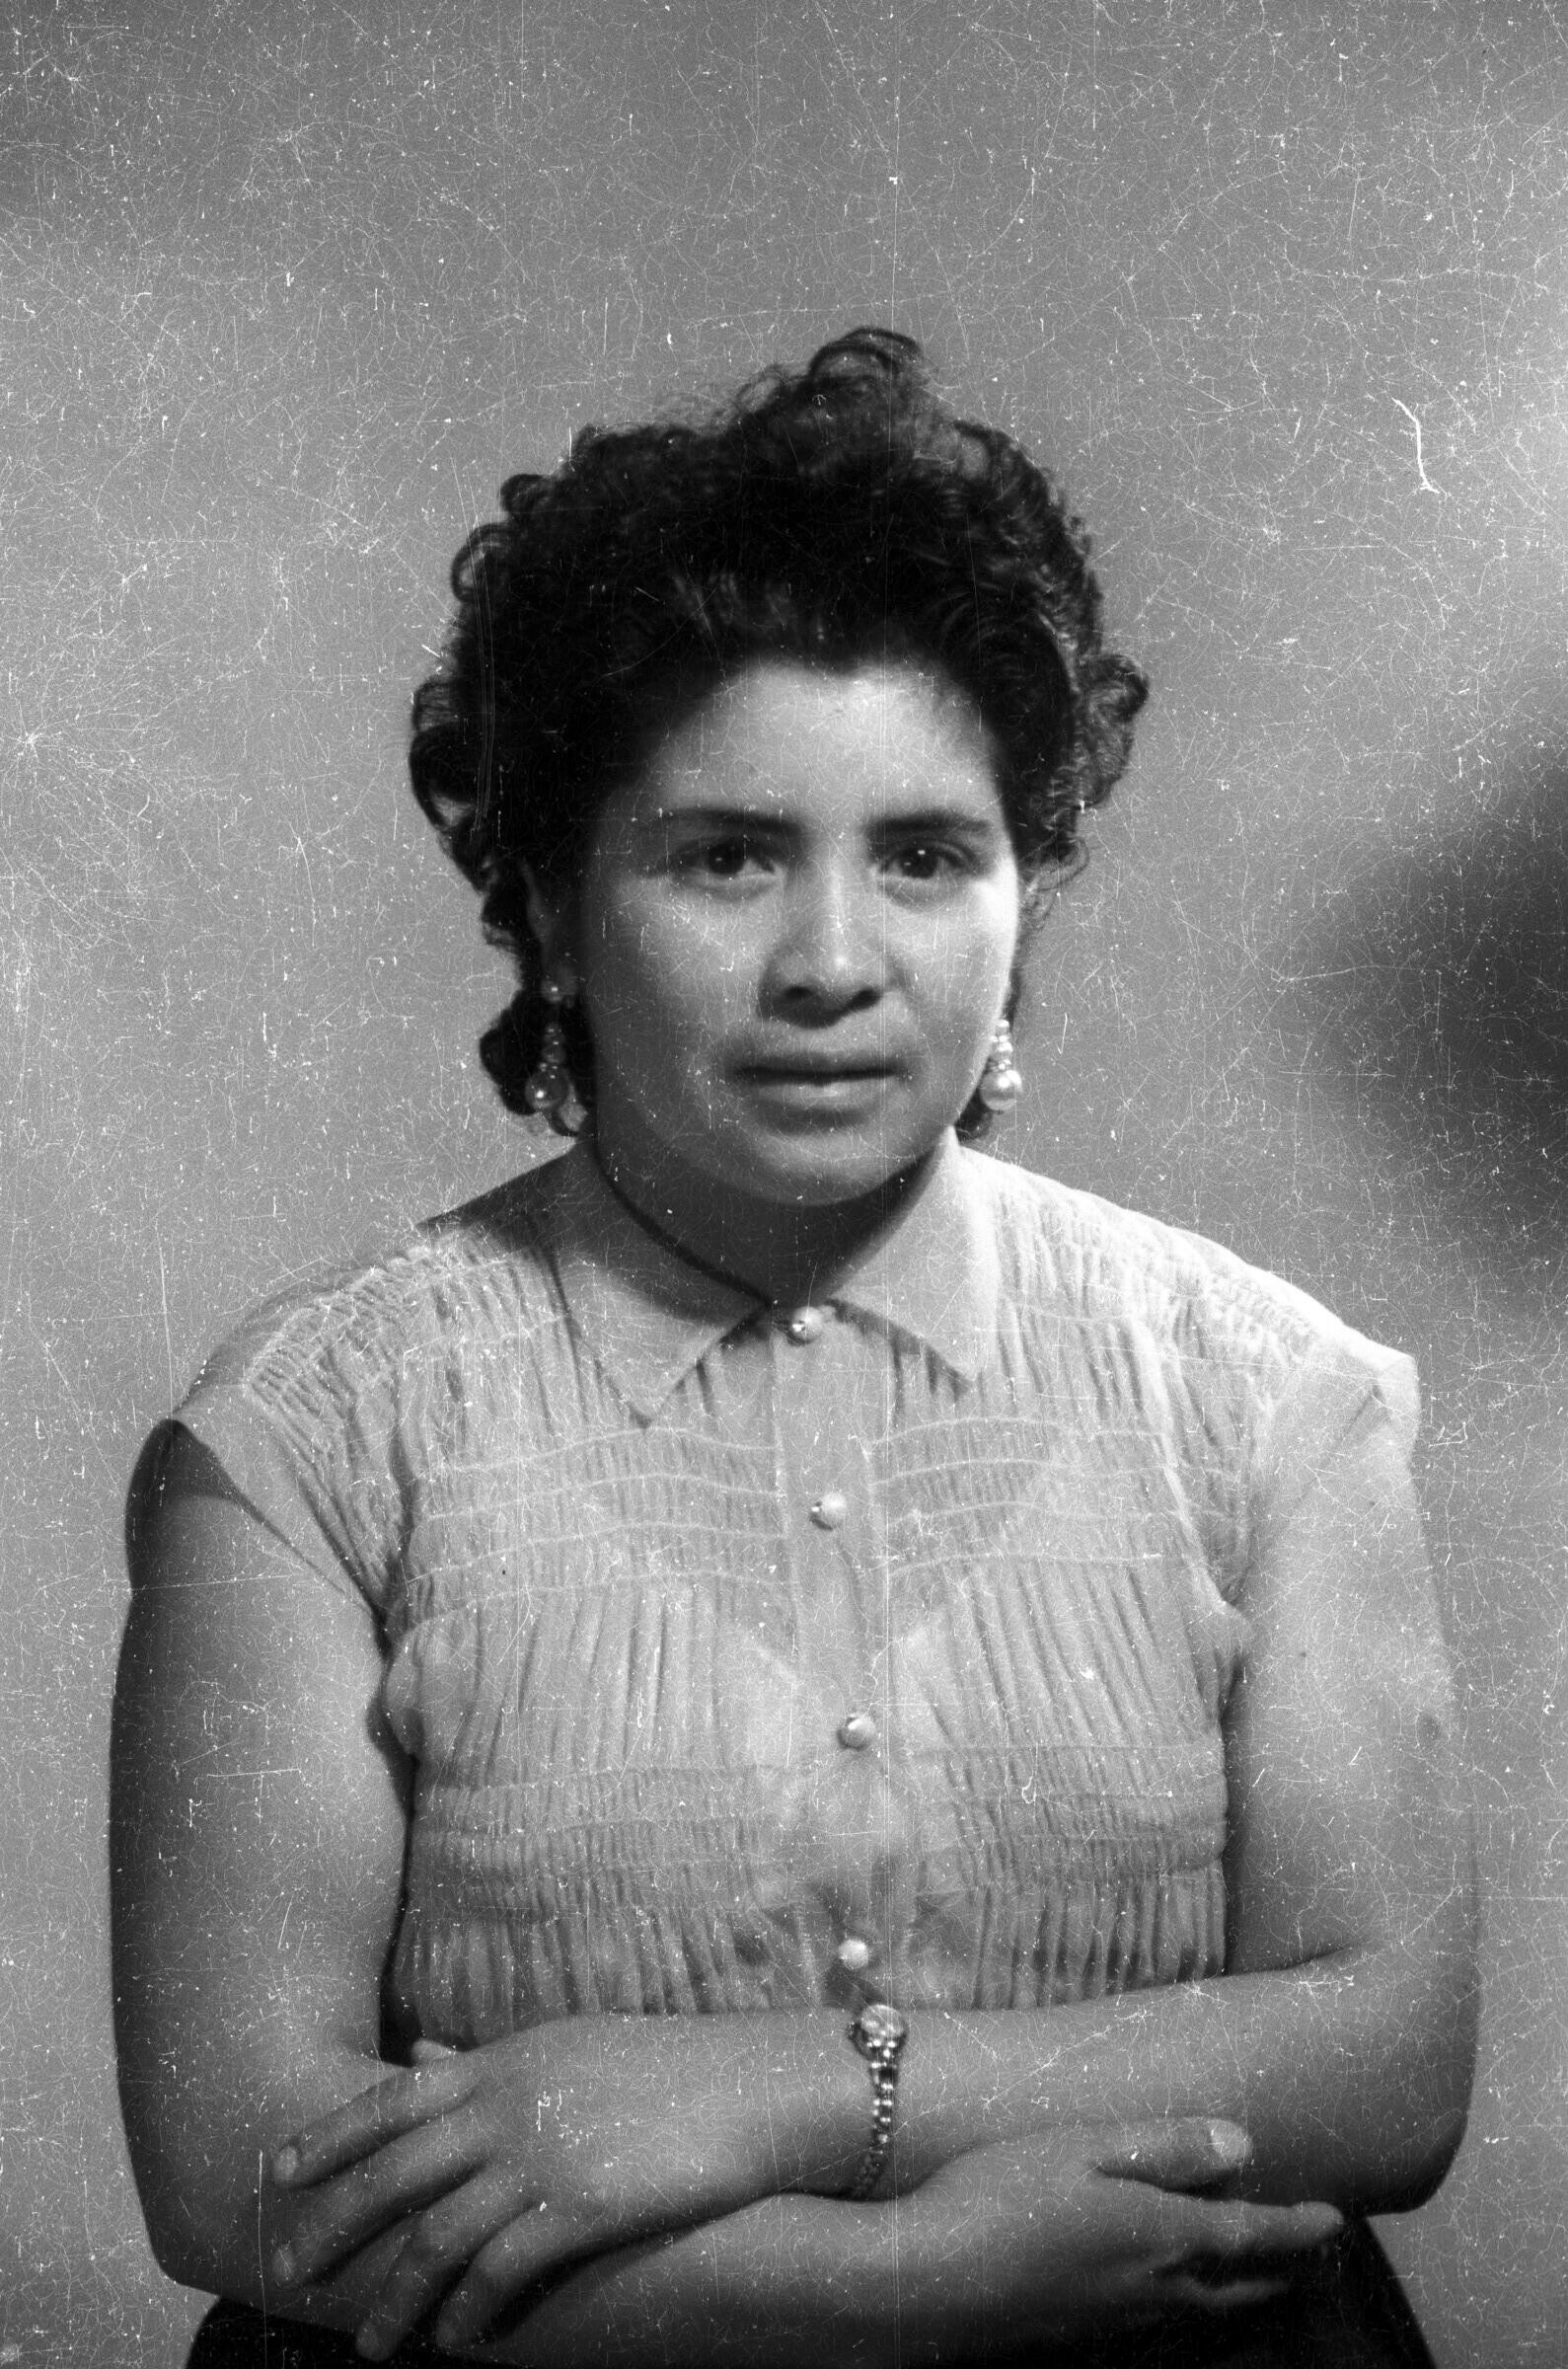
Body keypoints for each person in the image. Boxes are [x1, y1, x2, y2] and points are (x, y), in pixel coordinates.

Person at [111, 328, 1476, 2368]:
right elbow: (240, 2166)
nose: (836, 964)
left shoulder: (1275, 1399)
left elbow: (1387, 2066)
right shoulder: (314, 1439)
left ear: (1025, 890)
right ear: (555, 913)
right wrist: (891, 2282)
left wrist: (794, 2087)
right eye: (726, 854)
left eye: (930, 856)